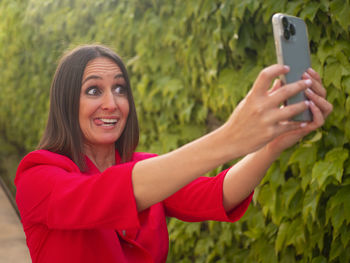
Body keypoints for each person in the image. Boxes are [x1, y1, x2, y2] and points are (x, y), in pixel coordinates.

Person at [15, 44, 332, 263]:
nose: (112, 103)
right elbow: (107, 193)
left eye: (121, 88)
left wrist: (274, 142)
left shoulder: (147, 167)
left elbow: (218, 192)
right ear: (67, 103)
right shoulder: (39, 177)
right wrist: (231, 136)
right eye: (94, 90)